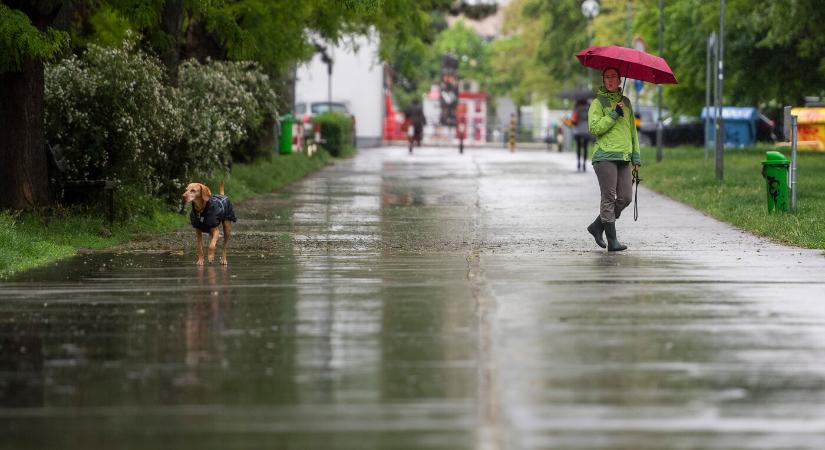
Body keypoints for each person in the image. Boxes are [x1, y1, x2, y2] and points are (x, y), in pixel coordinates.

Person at [585, 67, 641, 252]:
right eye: (606, 77)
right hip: (605, 156)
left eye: (613, 77)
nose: (610, 80)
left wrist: (636, 157)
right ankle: (612, 241)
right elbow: (594, 128)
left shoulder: (626, 102)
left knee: (625, 197)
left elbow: (632, 132)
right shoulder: (598, 103)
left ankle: (597, 226)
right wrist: (613, 114)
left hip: (624, 156)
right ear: (603, 80)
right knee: (608, 198)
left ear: (619, 80)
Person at [571, 99, 591, 171]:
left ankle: (579, 162)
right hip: (586, 130)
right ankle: (584, 164)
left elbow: (573, 120)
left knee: (578, 147)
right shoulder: (589, 108)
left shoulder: (576, 108)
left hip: (578, 131)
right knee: (585, 148)